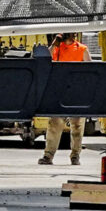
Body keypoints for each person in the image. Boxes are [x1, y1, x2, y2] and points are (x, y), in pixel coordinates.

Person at [39, 32, 89, 166]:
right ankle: (48, 156)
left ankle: (75, 155)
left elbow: (90, 69)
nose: (71, 37)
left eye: (73, 34)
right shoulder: (57, 48)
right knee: (55, 124)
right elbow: (46, 59)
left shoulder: (82, 49)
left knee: (77, 126)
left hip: (76, 92)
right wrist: (54, 44)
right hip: (60, 91)